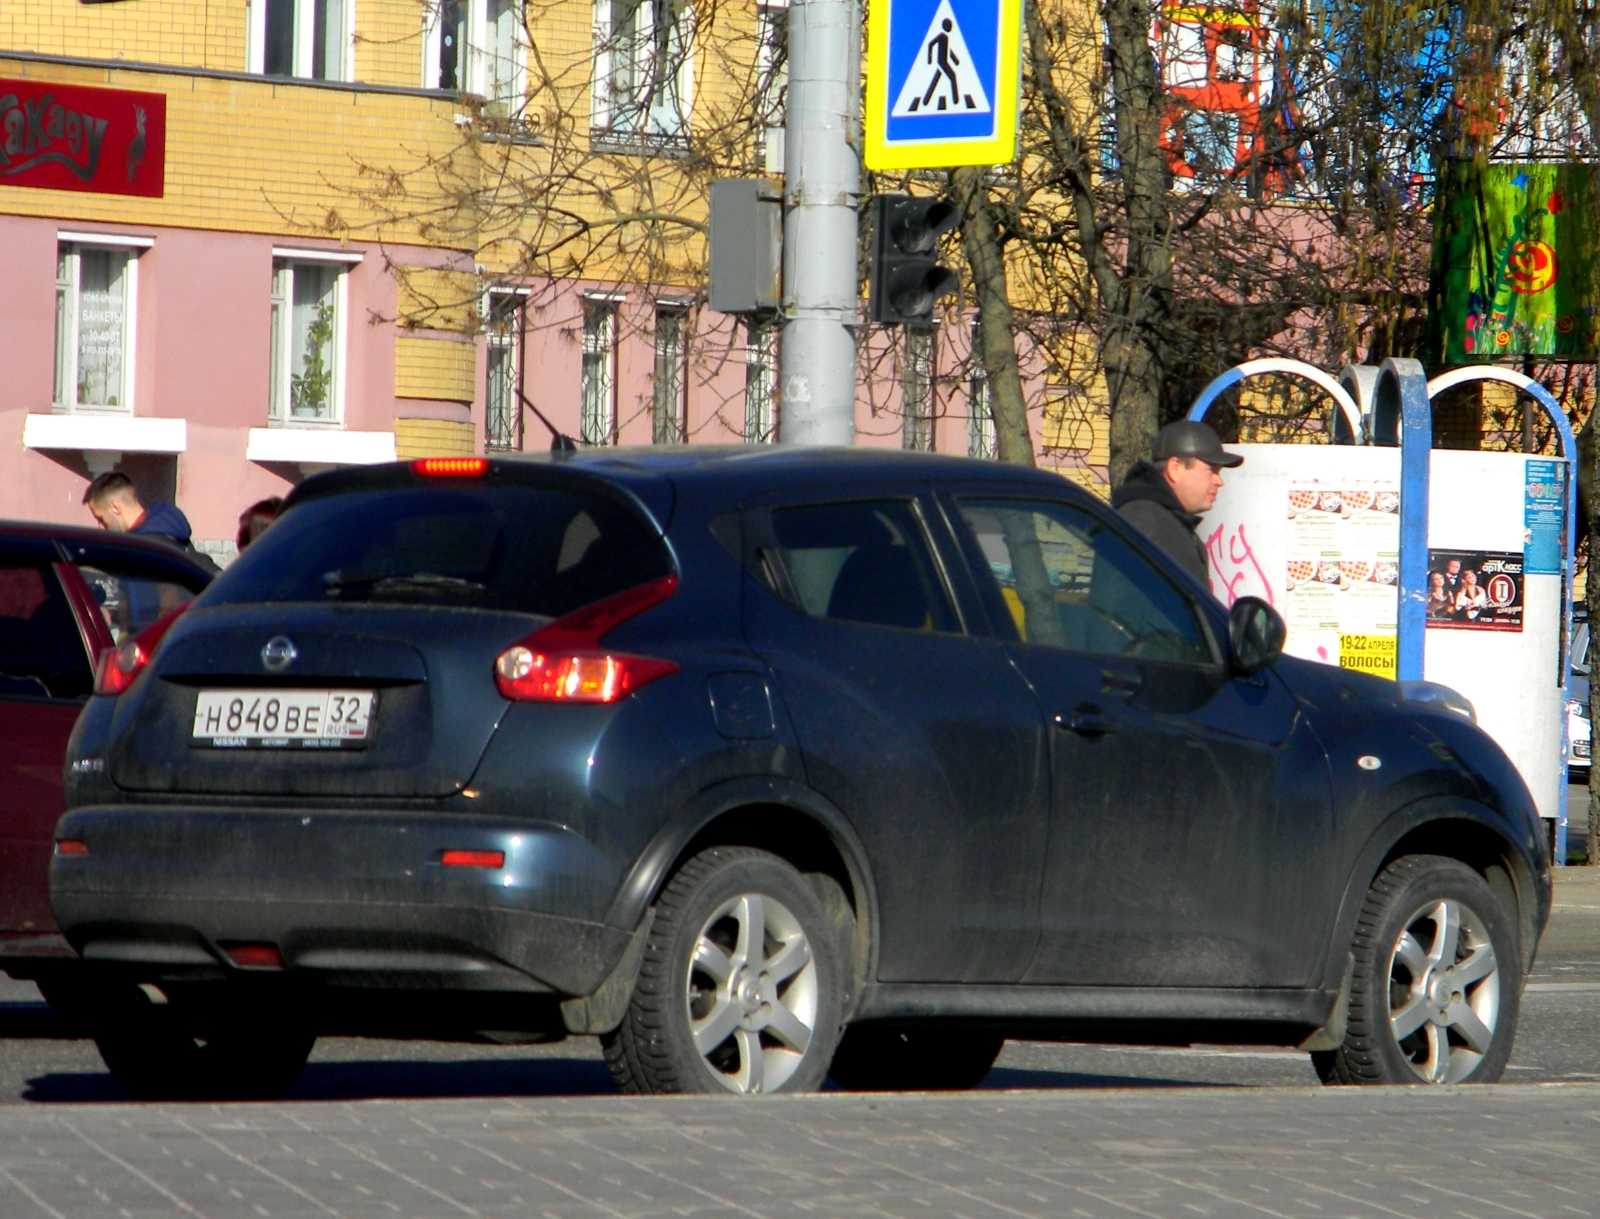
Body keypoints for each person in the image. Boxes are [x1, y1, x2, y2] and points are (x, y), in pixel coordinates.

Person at [1112, 420, 1242, 586]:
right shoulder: (1144, 523)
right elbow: (1118, 596)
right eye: (1212, 470)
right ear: (1175, 468)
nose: (1219, 481)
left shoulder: (1171, 522)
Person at [82, 472, 221, 575]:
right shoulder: (167, 528)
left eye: (100, 518)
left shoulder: (143, 550)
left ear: (115, 507)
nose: (101, 526)